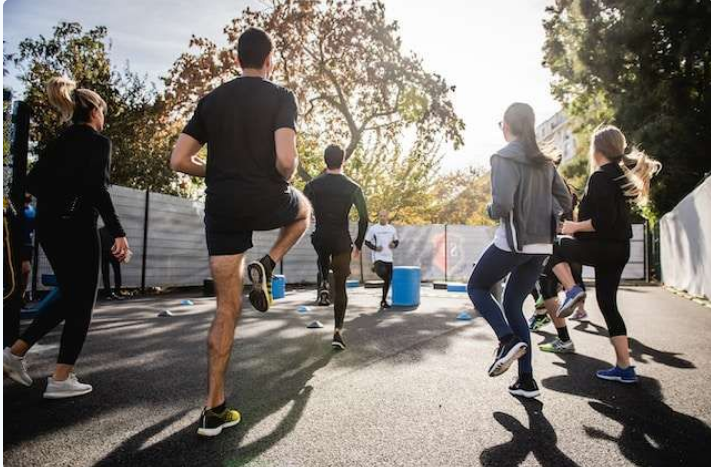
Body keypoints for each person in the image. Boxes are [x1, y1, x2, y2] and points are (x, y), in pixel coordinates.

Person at [169, 27, 311, 437]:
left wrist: (213, 170)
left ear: (237, 61)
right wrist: (288, 172)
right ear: (270, 61)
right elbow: (286, 160)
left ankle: (213, 409)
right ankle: (268, 262)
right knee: (303, 211)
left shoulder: (211, 101)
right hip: (267, 198)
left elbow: (179, 160)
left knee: (225, 310)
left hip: (223, 207)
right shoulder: (281, 96)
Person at [3, 77, 129, 399]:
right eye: (103, 111)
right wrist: (117, 232)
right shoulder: (99, 143)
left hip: (50, 228)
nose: (104, 118)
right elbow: (97, 188)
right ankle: (61, 378)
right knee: (82, 301)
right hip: (77, 229)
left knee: (70, 294)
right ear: (94, 112)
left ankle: (14, 353)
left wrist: (62, 201)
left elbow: (33, 181)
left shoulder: (61, 141)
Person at [466, 103, 572, 399]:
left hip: (513, 242)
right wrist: (548, 218)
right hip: (541, 246)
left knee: (476, 286)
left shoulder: (502, 157)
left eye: (502, 123)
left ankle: (506, 339)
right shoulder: (546, 162)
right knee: (513, 305)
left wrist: (489, 209)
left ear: (507, 126)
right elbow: (566, 202)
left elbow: (501, 206)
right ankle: (527, 381)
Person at [549, 124, 661, 383]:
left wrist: (573, 227)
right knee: (608, 304)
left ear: (597, 149)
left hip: (604, 247)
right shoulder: (619, 176)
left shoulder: (600, 176)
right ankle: (625, 367)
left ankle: (572, 290)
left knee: (553, 246)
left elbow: (602, 221)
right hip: (619, 249)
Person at [303, 144, 368, 350]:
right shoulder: (353, 187)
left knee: (322, 250)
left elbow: (302, 211)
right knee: (340, 287)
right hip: (342, 241)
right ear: (343, 161)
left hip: (321, 236)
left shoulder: (312, 185)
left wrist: (311, 219)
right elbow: (364, 219)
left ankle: (323, 280)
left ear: (324, 161)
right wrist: (358, 244)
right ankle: (338, 332)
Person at [364, 210, 399, 309]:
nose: (382, 217)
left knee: (388, 280)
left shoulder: (392, 229)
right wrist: (375, 248)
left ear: (387, 217)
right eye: (381, 216)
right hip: (378, 257)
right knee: (383, 273)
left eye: (384, 216)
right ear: (379, 217)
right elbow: (366, 242)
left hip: (389, 258)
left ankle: (383, 301)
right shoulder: (374, 229)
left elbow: (396, 241)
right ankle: (376, 267)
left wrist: (394, 244)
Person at [99, 226, 124, 300]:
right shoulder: (115, 230)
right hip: (113, 254)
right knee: (117, 273)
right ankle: (117, 292)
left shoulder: (100, 231)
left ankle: (108, 294)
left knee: (106, 274)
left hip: (105, 254)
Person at [20, 193, 36, 301]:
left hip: (26, 244)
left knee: (25, 271)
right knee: (24, 271)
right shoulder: (29, 210)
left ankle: (21, 296)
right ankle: (21, 295)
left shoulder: (31, 210)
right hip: (22, 244)